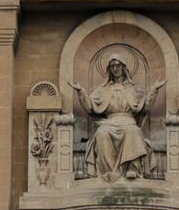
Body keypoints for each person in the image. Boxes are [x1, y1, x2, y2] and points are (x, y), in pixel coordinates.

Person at [69, 54, 166, 183]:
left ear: (124, 67)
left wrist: (154, 89)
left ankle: (132, 168)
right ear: (109, 69)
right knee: (101, 133)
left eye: (118, 65)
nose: (115, 68)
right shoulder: (103, 89)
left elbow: (145, 107)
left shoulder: (133, 88)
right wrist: (81, 91)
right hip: (109, 122)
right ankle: (108, 171)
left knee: (133, 131)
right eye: (112, 66)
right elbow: (90, 107)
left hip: (129, 121)